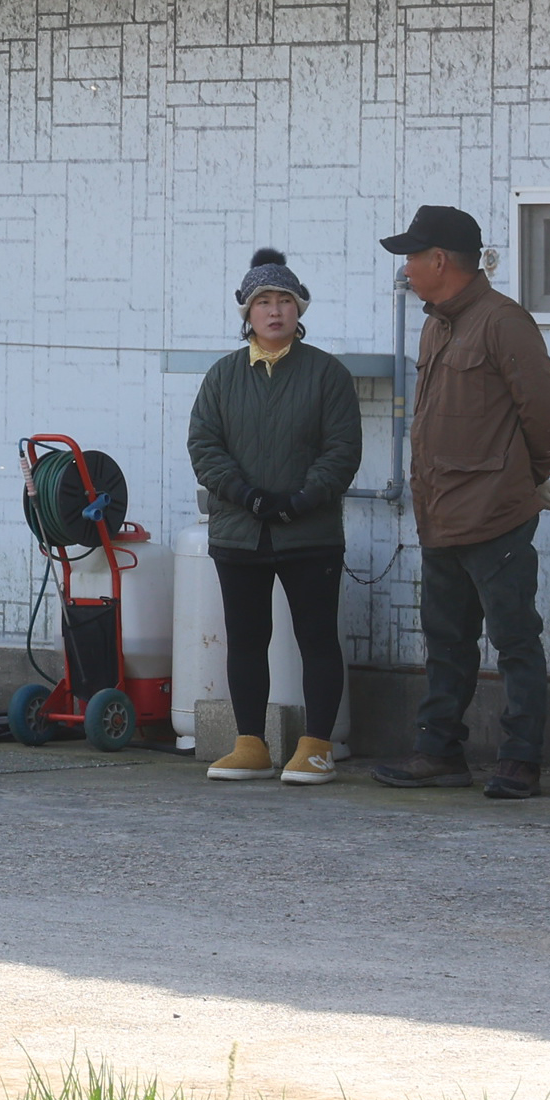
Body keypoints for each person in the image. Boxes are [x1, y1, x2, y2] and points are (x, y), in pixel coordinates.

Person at [368, 206, 550, 801]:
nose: (405, 268)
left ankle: (520, 759)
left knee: (515, 639)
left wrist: (526, 477)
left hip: (495, 514)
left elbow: (542, 412)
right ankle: (438, 752)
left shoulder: (503, 321)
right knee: (445, 641)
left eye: (412, 256)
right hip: (440, 513)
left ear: (439, 260)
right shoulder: (436, 324)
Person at [183, 247, 365, 784]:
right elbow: (204, 446)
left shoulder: (327, 374)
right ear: (248, 312)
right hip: (239, 532)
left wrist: (303, 499)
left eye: (284, 300)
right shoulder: (222, 376)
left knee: (317, 639)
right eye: (263, 301)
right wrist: (246, 494)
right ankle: (250, 744)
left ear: (299, 309)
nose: (275, 310)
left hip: (311, 533)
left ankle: (317, 747)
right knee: (245, 640)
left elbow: (342, 449)